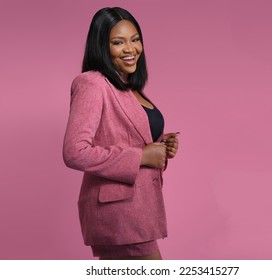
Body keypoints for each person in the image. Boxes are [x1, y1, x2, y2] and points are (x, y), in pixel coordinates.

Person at [63, 7, 179, 260]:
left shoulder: (128, 87)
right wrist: (141, 156)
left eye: (135, 39)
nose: (130, 49)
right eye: (118, 42)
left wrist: (160, 146)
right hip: (119, 213)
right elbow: (75, 152)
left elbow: (125, 137)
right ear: (101, 47)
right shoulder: (92, 83)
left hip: (140, 210)